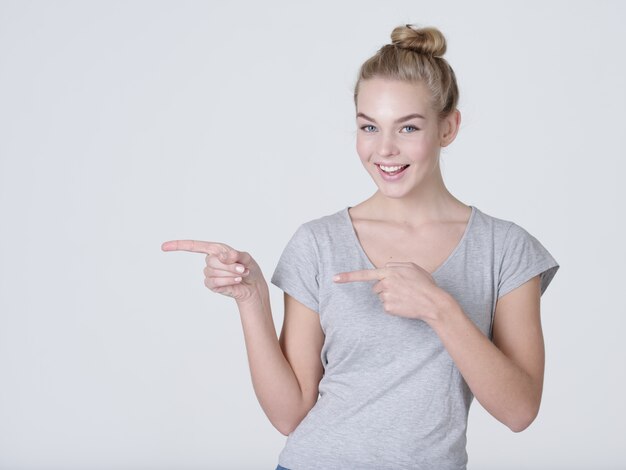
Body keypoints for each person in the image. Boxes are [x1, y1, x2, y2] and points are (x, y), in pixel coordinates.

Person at [162, 24, 559, 470]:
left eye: (408, 127)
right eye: (369, 126)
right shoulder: (318, 242)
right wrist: (252, 299)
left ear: (448, 128)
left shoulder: (505, 248)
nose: (384, 149)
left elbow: (520, 411)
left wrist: (439, 308)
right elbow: (290, 414)